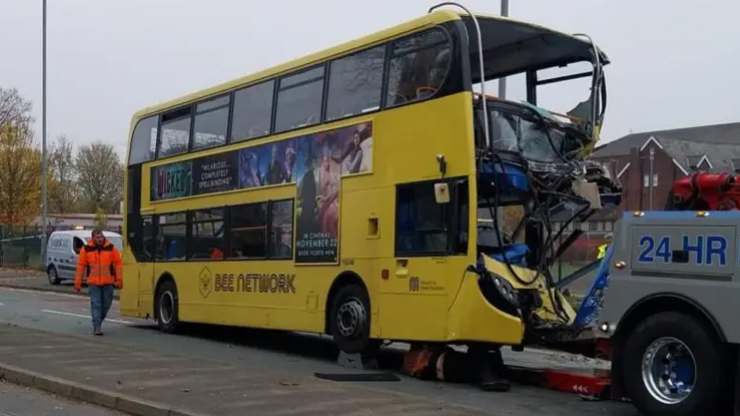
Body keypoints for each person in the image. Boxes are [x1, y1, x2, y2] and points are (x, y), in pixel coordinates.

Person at [74, 229, 123, 336]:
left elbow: (118, 264)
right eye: (97, 237)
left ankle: (98, 320)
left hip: (108, 282)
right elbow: (80, 266)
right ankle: (97, 327)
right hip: (93, 283)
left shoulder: (111, 248)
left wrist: (119, 279)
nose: (99, 239)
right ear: (93, 238)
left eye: (101, 237)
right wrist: (78, 282)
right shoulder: (86, 249)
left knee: (106, 304)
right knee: (96, 305)